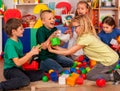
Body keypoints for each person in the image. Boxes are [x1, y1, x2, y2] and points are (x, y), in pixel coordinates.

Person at [48, 15, 120, 83]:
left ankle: (114, 76)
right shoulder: (82, 36)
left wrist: (51, 50)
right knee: (93, 72)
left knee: (90, 76)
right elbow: (70, 51)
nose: (75, 30)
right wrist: (57, 48)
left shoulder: (85, 38)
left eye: (76, 27)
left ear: (83, 26)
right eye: (74, 27)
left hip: (110, 60)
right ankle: (110, 71)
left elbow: (68, 52)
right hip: (106, 59)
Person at [0, 18, 44, 90]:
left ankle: (18, 79)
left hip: (18, 69)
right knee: (25, 80)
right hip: (10, 70)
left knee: (40, 73)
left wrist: (32, 53)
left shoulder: (18, 41)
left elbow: (25, 61)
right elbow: (17, 63)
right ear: (13, 31)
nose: (23, 30)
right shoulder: (10, 45)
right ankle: (2, 85)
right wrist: (30, 53)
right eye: (21, 29)